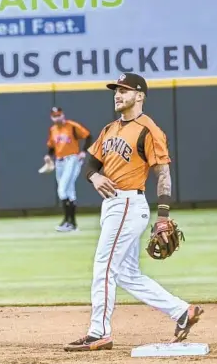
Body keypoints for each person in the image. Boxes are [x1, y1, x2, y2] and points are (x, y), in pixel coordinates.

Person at [63, 73, 203, 352]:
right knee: (127, 274)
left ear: (139, 96)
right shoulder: (109, 129)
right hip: (112, 206)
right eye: (116, 90)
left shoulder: (148, 129)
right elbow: (89, 165)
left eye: (124, 90)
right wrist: (95, 178)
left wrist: (162, 216)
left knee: (104, 266)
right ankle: (182, 311)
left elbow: (163, 174)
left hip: (128, 203)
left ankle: (98, 332)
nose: (118, 94)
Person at [44, 106, 92, 232]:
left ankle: (67, 222)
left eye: (59, 115)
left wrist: (83, 152)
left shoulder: (71, 126)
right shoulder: (53, 129)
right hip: (59, 161)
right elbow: (51, 146)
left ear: (63, 115)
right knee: (69, 191)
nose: (57, 117)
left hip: (72, 159)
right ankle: (72, 224)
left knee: (62, 190)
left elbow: (88, 136)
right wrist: (48, 156)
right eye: (55, 116)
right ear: (51, 117)